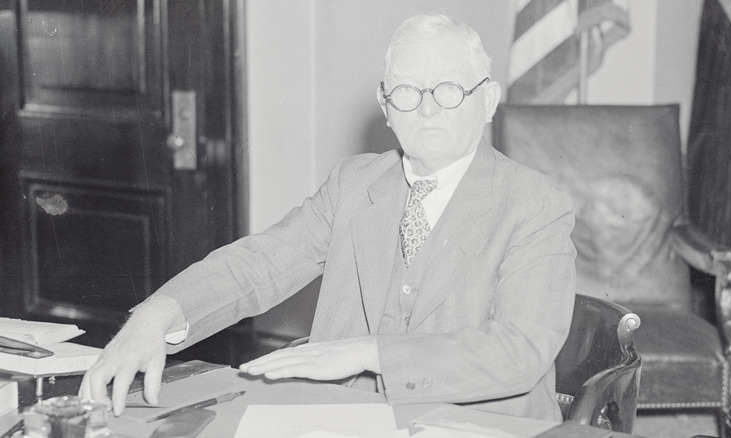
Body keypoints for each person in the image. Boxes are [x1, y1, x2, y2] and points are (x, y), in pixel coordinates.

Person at [79, 14, 576, 421]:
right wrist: (157, 315)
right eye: (406, 90)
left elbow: (520, 350)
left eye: (448, 89)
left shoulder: (535, 203)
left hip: (486, 425)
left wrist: (368, 352)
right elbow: (260, 264)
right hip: (345, 417)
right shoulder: (354, 184)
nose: (426, 109)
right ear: (386, 106)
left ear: (487, 100)